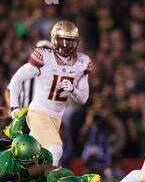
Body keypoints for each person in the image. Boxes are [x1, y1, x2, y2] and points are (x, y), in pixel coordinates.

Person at [8, 21, 92, 166]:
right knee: (56, 149)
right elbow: (17, 79)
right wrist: (14, 107)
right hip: (38, 113)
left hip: (56, 118)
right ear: (54, 39)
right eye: (62, 40)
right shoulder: (44, 57)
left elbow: (83, 98)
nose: (66, 44)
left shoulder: (82, 62)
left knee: (31, 156)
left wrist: (73, 90)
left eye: (70, 41)